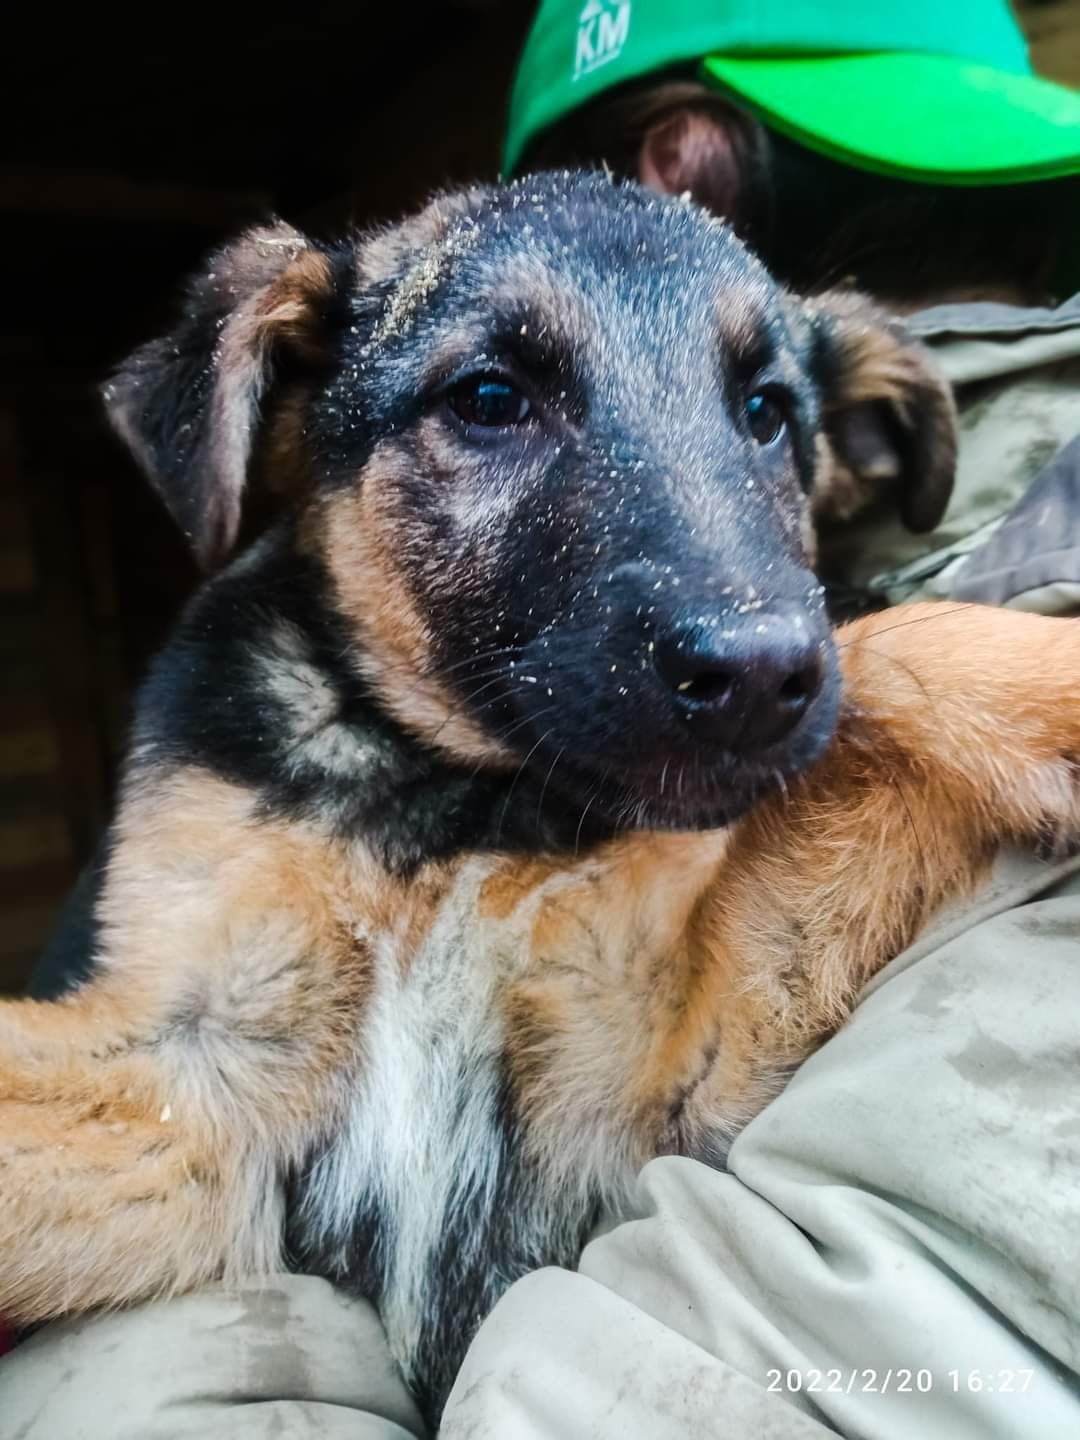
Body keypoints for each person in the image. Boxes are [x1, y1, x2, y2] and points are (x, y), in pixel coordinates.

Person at [4, 2, 1080, 1436]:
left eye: (759, 409)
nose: (750, 626)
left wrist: (921, 688)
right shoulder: (234, 726)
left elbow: (692, 1077)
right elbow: (176, 1118)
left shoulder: (886, 662)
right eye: (495, 398)